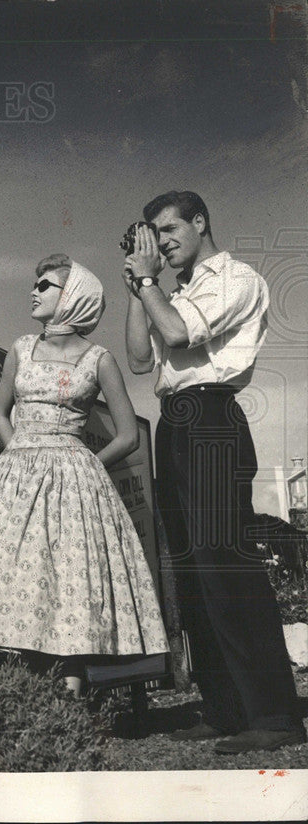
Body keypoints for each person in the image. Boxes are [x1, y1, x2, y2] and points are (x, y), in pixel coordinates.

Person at [122, 190, 305, 754]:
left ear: (200, 222)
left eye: (170, 229)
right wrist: (138, 283)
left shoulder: (237, 277)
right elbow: (138, 358)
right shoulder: (167, 292)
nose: (163, 242)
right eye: (152, 234)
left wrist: (151, 284)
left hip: (211, 416)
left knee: (226, 565)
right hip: (176, 420)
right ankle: (225, 708)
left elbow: (178, 335)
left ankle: (274, 715)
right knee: (192, 572)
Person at [0, 254, 168, 697]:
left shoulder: (99, 359)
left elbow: (128, 435)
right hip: (16, 476)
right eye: (35, 285)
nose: (33, 291)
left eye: (45, 285)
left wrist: (86, 463)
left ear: (72, 296)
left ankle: (71, 696)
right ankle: (34, 695)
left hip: (75, 480)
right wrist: (16, 451)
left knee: (70, 579)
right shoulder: (20, 348)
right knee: (22, 576)